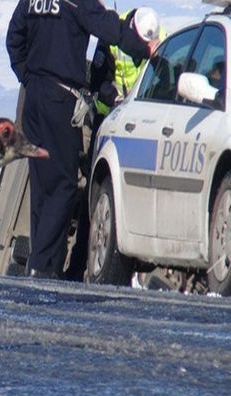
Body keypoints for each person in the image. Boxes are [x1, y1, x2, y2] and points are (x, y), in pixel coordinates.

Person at [6, 0, 159, 279]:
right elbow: (108, 27)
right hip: (59, 98)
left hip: (34, 97)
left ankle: (44, 265)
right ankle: (41, 264)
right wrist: (145, 48)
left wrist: (27, 76)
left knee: (43, 183)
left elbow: (14, 37)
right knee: (64, 184)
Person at [67, 7, 163, 280]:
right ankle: (77, 267)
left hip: (142, 131)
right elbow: (96, 81)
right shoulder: (112, 37)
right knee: (96, 197)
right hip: (108, 123)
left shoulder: (161, 39)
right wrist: (109, 95)